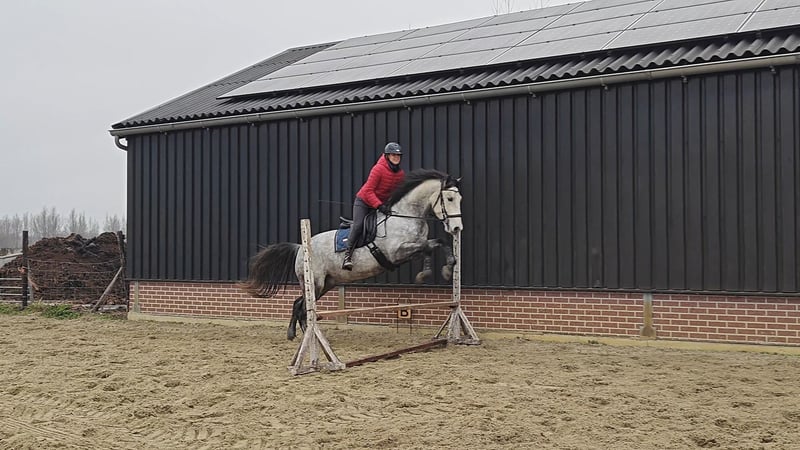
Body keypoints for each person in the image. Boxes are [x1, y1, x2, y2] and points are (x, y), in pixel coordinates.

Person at [342, 142, 405, 270]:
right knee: (359, 225)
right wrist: (379, 205)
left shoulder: (400, 174)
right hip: (364, 201)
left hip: (381, 204)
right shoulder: (378, 169)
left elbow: (397, 192)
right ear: (387, 156)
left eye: (398, 155)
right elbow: (368, 191)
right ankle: (347, 255)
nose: (396, 158)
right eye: (393, 155)